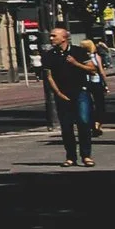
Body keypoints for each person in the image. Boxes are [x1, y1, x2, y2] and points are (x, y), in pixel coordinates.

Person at [43, 34, 95, 167]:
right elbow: (49, 77)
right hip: (63, 93)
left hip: (81, 91)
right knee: (66, 126)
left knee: (83, 122)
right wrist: (58, 93)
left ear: (64, 38)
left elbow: (92, 69)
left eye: (54, 35)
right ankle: (71, 157)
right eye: (50, 35)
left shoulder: (78, 51)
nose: (51, 38)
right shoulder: (49, 55)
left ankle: (86, 156)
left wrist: (75, 63)